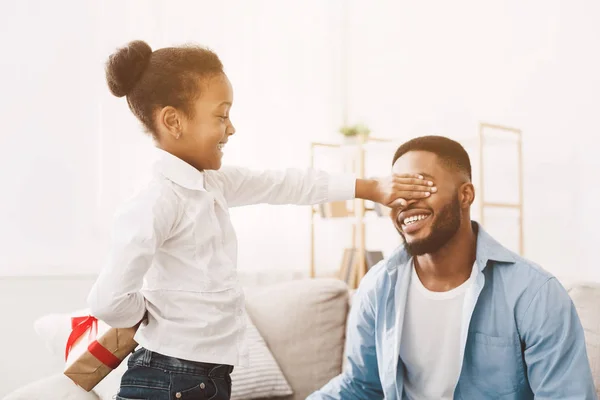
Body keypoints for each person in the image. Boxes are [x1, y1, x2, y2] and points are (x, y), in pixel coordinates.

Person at [86, 40, 437, 400]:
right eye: (221, 116)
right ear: (174, 121)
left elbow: (285, 184)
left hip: (202, 378)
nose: (231, 128)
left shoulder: (212, 185)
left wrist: (370, 187)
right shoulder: (157, 199)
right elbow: (108, 301)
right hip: (170, 378)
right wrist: (148, 312)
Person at [309, 135, 597, 399]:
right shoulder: (378, 286)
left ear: (465, 195)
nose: (405, 202)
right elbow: (360, 386)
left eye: (420, 185)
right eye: (396, 191)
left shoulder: (535, 295)